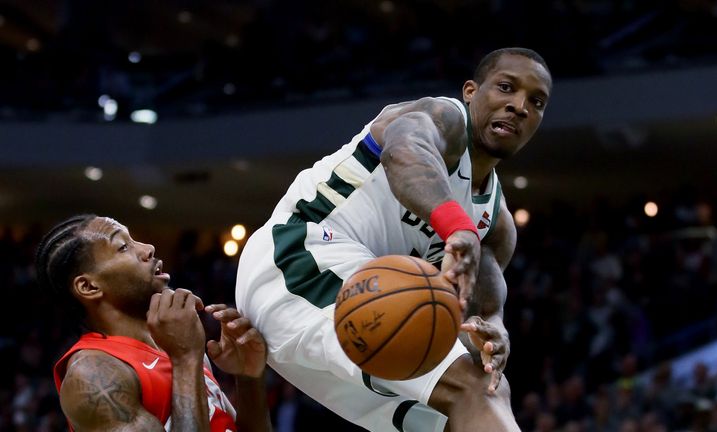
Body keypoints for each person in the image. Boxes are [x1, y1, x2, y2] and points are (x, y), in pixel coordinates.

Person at [236, 47, 552, 431]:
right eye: (506, 87)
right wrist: (457, 226)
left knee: (473, 401)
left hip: (364, 309)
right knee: (471, 388)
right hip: (299, 259)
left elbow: (481, 307)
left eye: (535, 102)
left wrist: (494, 329)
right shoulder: (443, 119)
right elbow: (405, 151)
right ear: (471, 91)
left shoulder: (496, 222)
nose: (519, 106)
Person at [35, 214, 272, 431]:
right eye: (123, 247)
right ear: (89, 287)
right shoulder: (93, 375)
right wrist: (186, 358)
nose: (148, 248)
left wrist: (248, 378)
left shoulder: (174, 346)